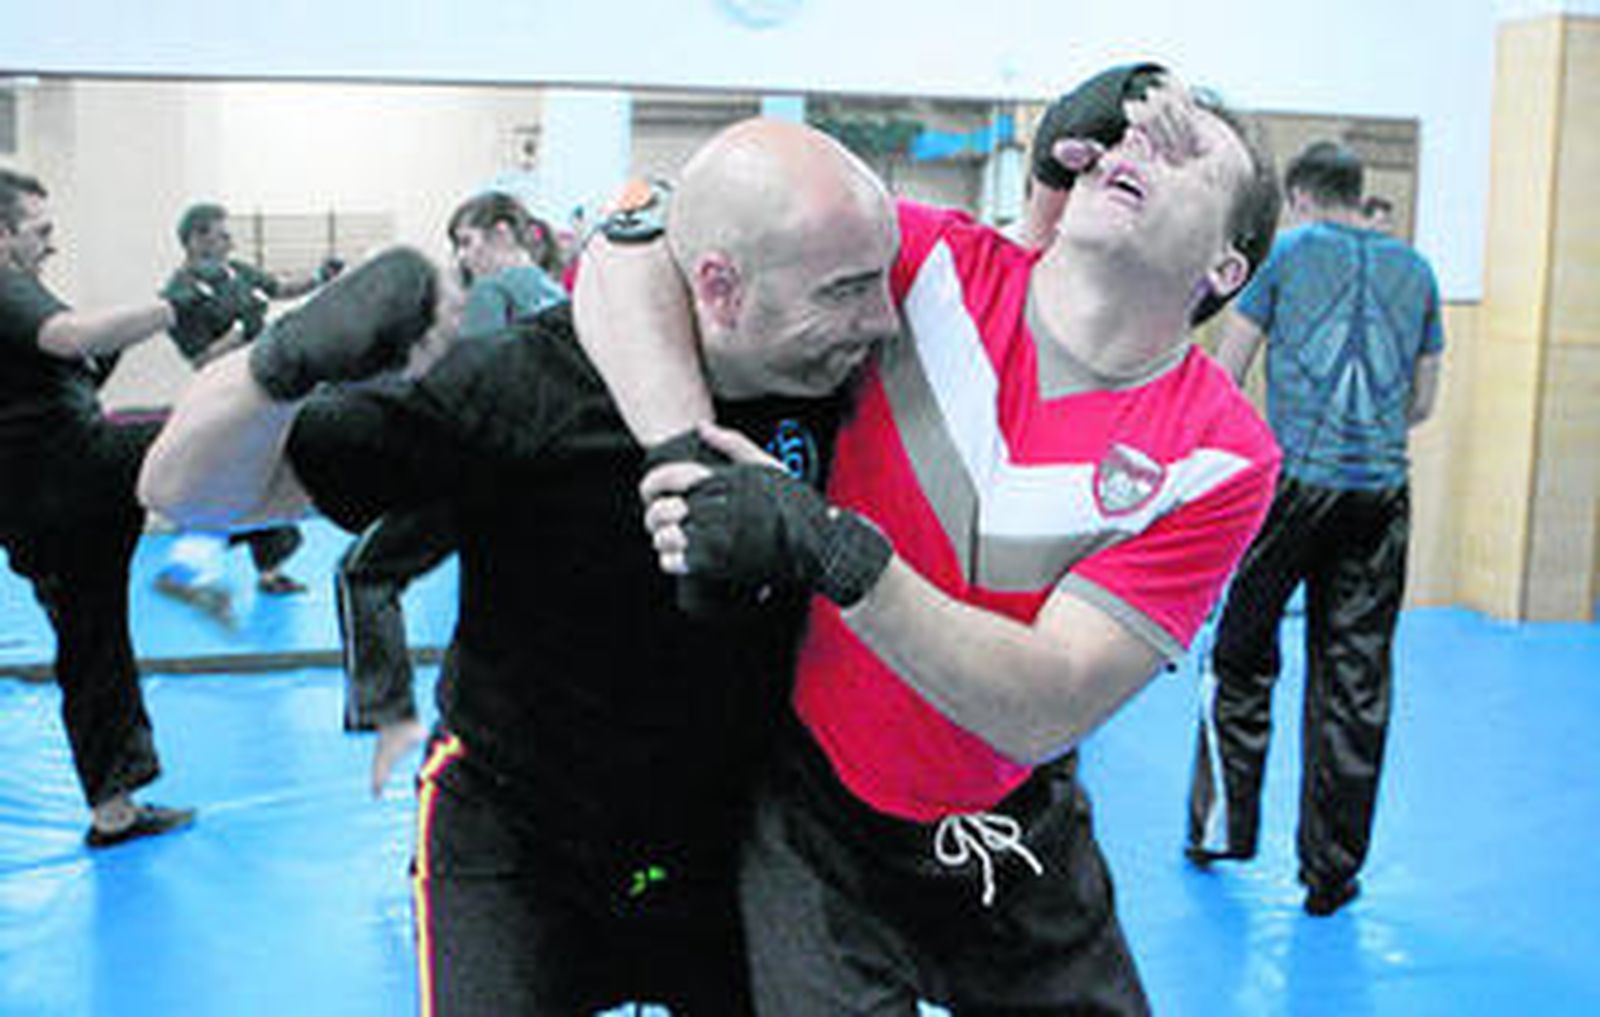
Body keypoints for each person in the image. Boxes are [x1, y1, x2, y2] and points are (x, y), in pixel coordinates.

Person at [136, 120, 900, 1015]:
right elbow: (186, 491)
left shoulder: (848, 372)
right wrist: (279, 364)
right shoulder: (526, 382)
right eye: (848, 290)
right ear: (720, 286)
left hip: (731, 831)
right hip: (518, 835)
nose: (881, 316)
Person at [578, 64, 1283, 1013]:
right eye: (1128, 139)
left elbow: (1047, 700)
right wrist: (689, 460)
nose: (1140, 148)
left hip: (1011, 840)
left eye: (1185, 151)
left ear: (1226, 269)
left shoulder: (1221, 453)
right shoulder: (926, 266)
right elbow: (628, 245)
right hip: (816, 824)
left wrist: (830, 546)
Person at [1184, 140, 1443, 917]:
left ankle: (1223, 830)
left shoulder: (1287, 255)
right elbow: (1422, 402)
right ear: (1358, 193)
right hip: (1381, 494)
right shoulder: (1419, 271)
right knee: (1355, 680)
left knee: (1238, 655)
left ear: (1298, 195)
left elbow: (1225, 373)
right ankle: (1331, 875)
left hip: (1293, 487)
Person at [0, 168, 200, 847]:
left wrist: (167, 321)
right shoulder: (3, 283)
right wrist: (167, 308)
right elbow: (69, 337)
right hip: (63, 484)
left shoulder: (21, 289)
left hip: (53, 493)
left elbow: (73, 369)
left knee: (93, 643)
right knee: (196, 427)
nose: (50, 243)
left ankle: (114, 808)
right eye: (40, 231)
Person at [335, 191, 570, 765]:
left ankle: (382, 707)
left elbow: (463, 384)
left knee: (362, 570)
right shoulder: (559, 294)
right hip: (555, 473)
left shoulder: (491, 294)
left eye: (467, 241)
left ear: (500, 233)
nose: (463, 256)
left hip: (482, 468)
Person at [152, 202, 344, 616]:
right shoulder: (180, 293)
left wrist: (320, 277)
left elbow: (277, 287)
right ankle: (188, 560)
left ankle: (268, 572)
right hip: (222, 395)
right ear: (196, 239)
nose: (229, 241)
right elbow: (201, 359)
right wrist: (241, 331)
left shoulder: (237, 272)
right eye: (221, 234)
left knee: (273, 478)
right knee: (234, 483)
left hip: (263, 389)